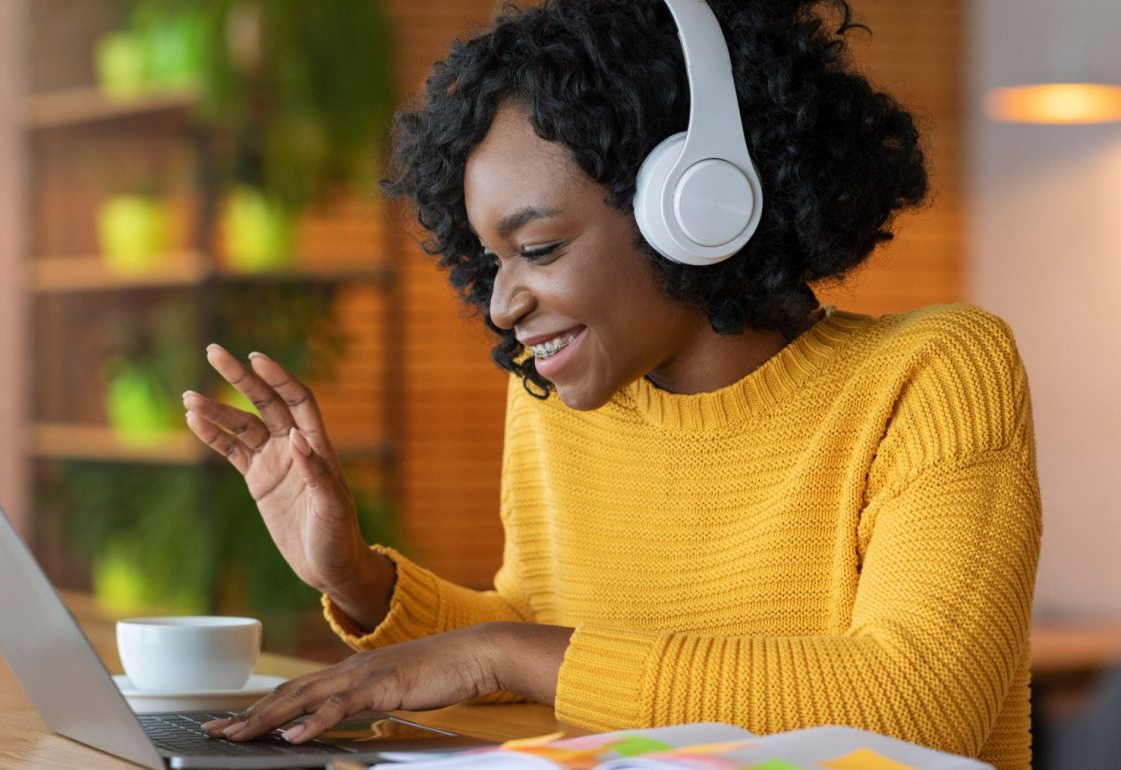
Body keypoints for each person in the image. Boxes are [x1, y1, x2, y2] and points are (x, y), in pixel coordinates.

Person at [180, 2, 1041, 769]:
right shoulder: (558, 398)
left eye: (540, 249)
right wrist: (360, 581)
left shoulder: (934, 374)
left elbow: (921, 705)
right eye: (491, 260)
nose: (506, 302)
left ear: (699, 208)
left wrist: (507, 651)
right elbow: (534, 631)